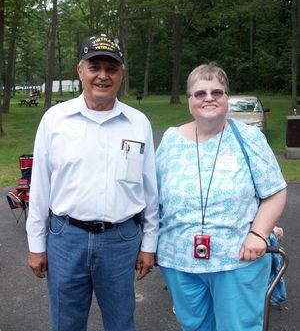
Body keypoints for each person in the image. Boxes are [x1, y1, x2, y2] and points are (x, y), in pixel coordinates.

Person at [26, 33, 159, 331]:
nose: (102, 76)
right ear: (80, 71)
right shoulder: (55, 120)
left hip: (121, 239)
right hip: (66, 237)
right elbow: (40, 188)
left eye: (111, 69)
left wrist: (149, 243)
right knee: (66, 323)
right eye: (94, 67)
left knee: (121, 322)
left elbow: (150, 189)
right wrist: (36, 244)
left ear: (121, 74)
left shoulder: (138, 123)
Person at [155, 63, 287, 331]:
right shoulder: (170, 141)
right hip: (179, 261)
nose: (209, 98)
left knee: (238, 327)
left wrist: (259, 234)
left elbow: (275, 191)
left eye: (217, 92)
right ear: (189, 100)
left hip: (237, 259)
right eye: (200, 93)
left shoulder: (248, 138)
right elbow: (152, 198)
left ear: (227, 97)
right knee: (194, 327)